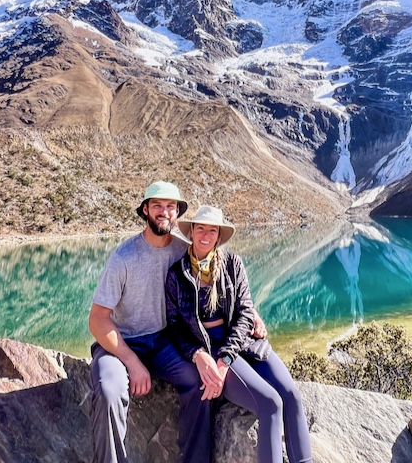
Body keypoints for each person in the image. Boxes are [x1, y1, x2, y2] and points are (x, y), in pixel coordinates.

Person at [164, 205, 314, 463]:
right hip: (208, 347)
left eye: (212, 230)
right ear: (191, 233)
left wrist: (226, 361)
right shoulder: (178, 274)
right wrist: (199, 355)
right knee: (270, 403)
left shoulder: (233, 264)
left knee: (291, 395)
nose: (205, 235)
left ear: (219, 236)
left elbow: (245, 312)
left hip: (240, 343)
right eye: (200, 229)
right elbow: (175, 326)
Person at [87, 181, 211, 463]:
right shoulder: (124, 257)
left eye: (171, 206)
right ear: (145, 210)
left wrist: (249, 314)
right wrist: (131, 361)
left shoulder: (183, 252)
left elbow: (219, 283)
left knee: (199, 382)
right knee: (109, 390)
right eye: (157, 205)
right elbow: (98, 320)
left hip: (165, 341)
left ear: (177, 213)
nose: (164, 212)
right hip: (121, 342)